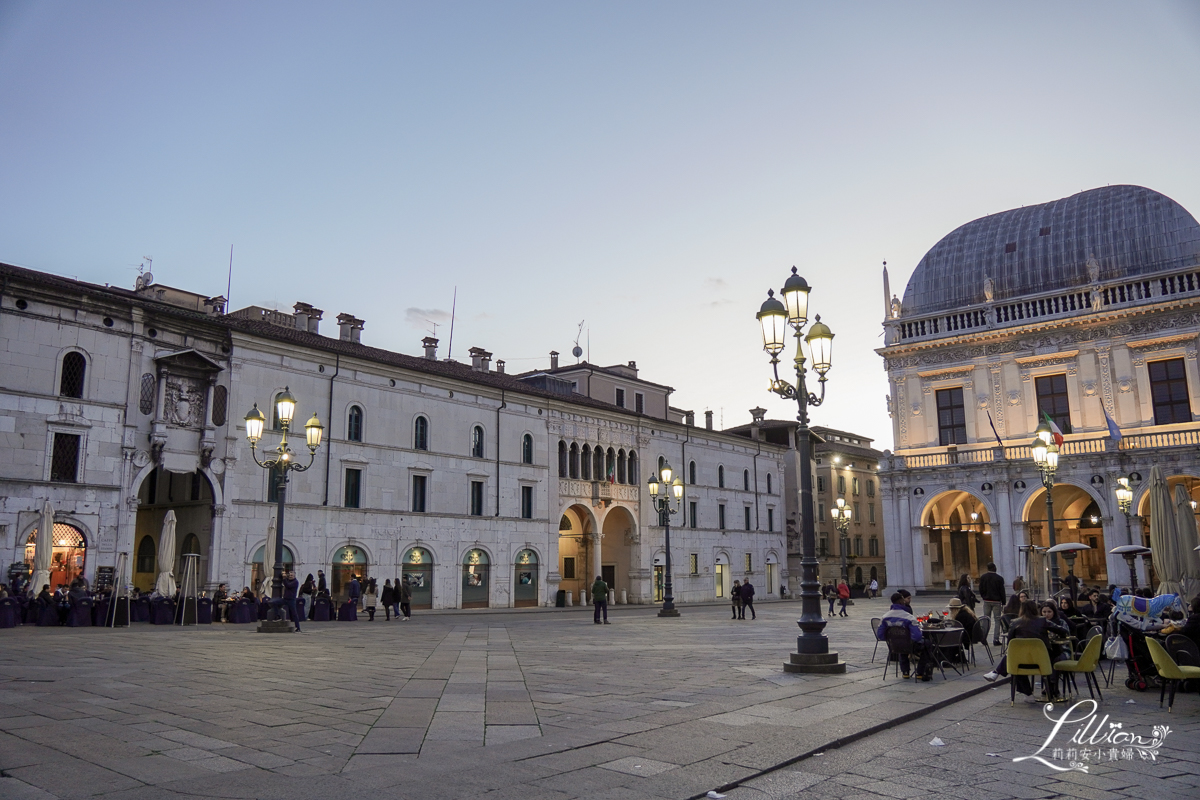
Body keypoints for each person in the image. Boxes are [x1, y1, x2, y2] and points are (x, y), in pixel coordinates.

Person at [985, 600, 1070, 697]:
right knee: (1054, 654)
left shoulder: (1014, 623)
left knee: (1014, 657)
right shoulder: (1042, 621)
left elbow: (1010, 643)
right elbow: (1063, 631)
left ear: (1021, 610)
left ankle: (1026, 692)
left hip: (1022, 661)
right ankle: (1051, 689)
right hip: (1042, 661)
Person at [878, 591, 933, 680]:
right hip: (910, 646)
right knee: (927, 643)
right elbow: (917, 636)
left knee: (900, 642)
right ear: (901, 601)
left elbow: (880, 635)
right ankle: (920, 672)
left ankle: (905, 672)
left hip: (894, 646)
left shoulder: (884, 617)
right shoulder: (909, 617)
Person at [977, 563, 1006, 646]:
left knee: (986, 619)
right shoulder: (999, 578)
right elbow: (1002, 591)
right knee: (997, 620)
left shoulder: (983, 577)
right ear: (994, 568)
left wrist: (983, 596)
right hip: (997, 601)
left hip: (987, 600)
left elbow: (980, 589)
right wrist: (1003, 602)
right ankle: (996, 639)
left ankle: (983, 637)